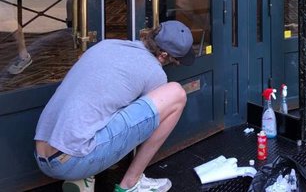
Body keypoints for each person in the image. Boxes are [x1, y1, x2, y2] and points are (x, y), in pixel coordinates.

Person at [34, 20, 195, 192]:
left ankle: (86, 177)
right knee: (176, 94)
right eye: (175, 60)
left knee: (106, 104)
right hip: (73, 159)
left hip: (41, 154)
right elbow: (142, 123)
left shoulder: (107, 44)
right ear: (163, 56)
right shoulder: (155, 73)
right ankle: (132, 183)